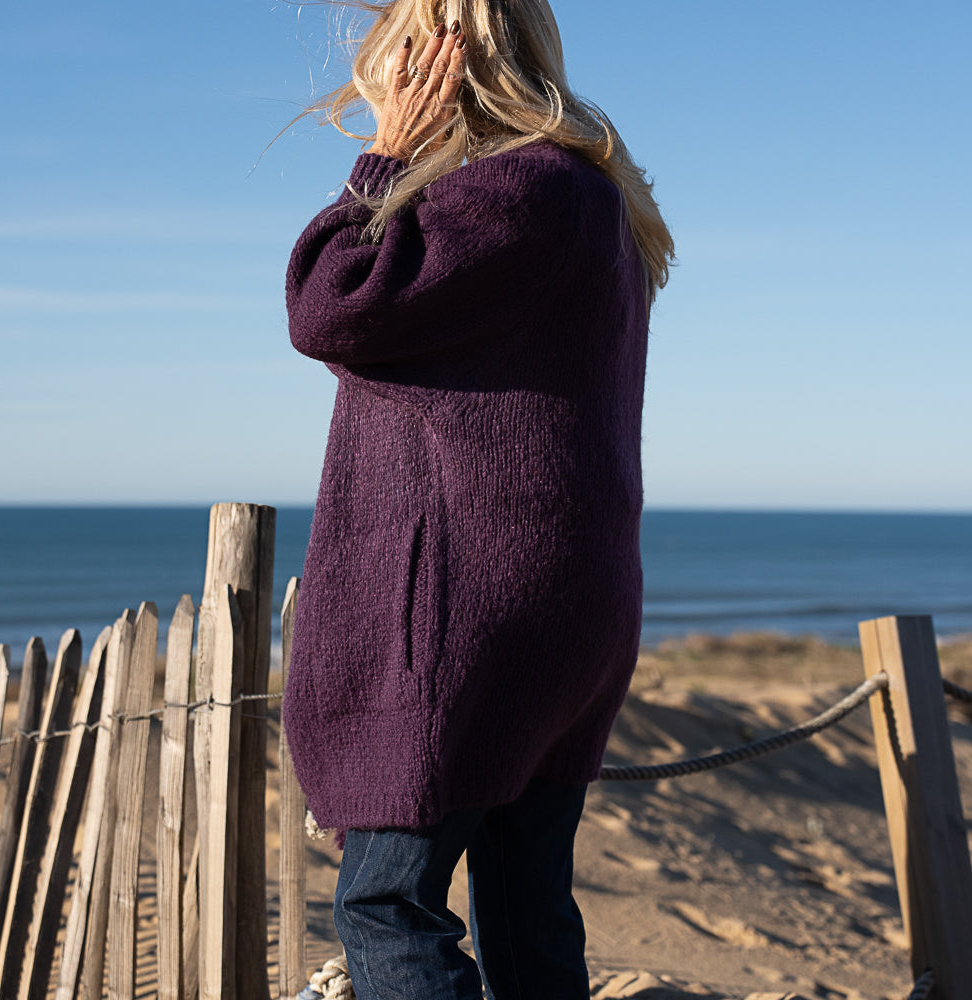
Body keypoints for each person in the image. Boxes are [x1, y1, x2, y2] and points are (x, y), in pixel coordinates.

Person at [282, 2, 673, 997]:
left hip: (475, 611)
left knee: (387, 907)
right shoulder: (592, 197)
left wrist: (384, 160)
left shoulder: (513, 190)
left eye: (393, 68)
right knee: (525, 901)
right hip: (566, 606)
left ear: (435, 68)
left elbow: (330, 305)